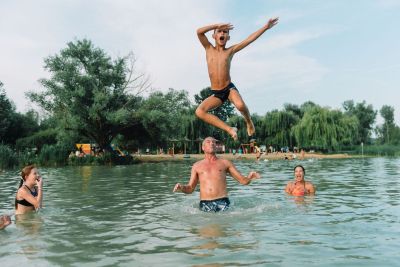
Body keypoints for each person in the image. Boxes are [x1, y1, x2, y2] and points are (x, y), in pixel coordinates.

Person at [195, 17, 279, 140]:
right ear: (213, 36)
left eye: (225, 32)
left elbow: (249, 39)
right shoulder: (208, 48)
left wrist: (266, 27)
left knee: (240, 105)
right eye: (219, 31)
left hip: (229, 89)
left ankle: (249, 121)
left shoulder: (230, 51)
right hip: (217, 93)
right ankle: (229, 129)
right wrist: (216, 25)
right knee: (199, 112)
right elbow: (199, 32)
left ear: (228, 38)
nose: (222, 33)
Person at [173, 137, 260, 212]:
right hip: (205, 203)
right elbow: (191, 188)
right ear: (203, 147)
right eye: (208, 142)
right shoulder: (197, 166)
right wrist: (182, 188)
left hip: (223, 202)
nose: (212, 143)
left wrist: (250, 177)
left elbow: (243, 181)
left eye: (214, 142)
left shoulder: (225, 163)